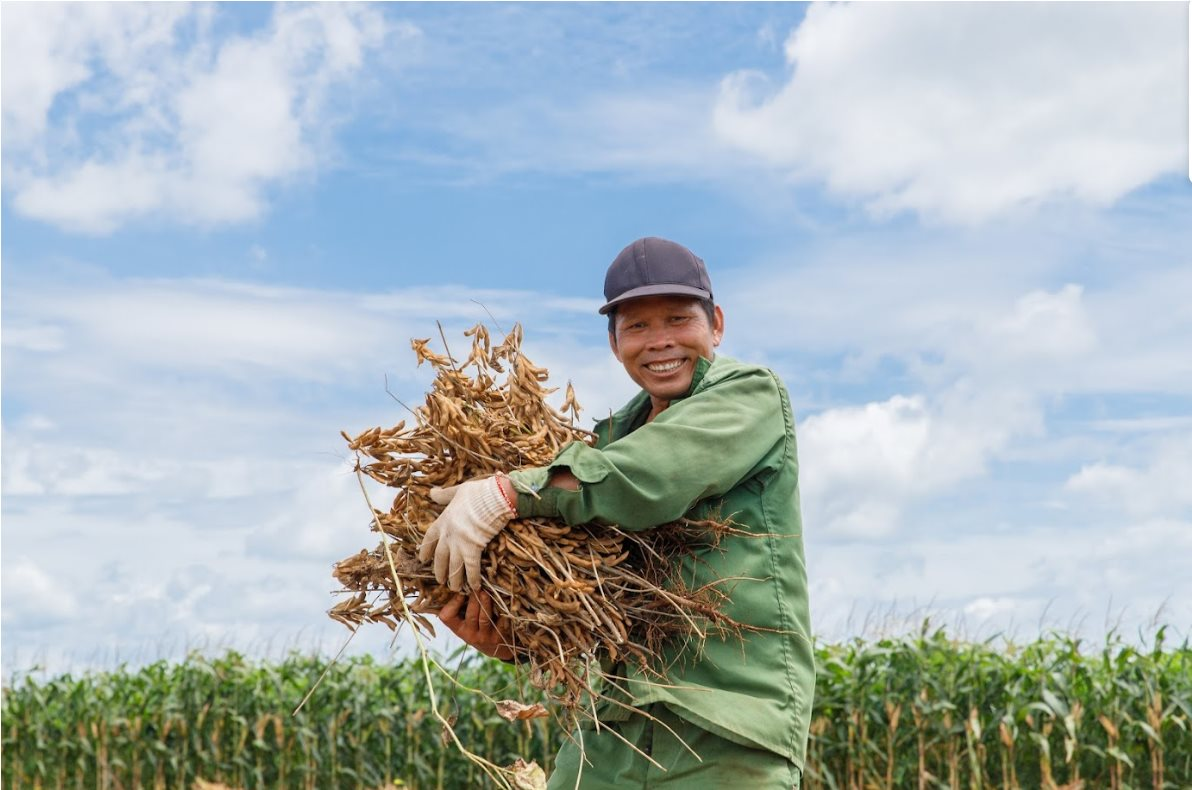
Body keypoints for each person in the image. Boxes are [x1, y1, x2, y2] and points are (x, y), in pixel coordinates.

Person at [419, 237, 814, 789]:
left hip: (725, 738)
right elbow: (599, 602)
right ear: (614, 343)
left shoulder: (749, 396)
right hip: (610, 738)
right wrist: (523, 642)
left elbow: (647, 479)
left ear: (716, 324)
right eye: (637, 327)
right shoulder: (605, 443)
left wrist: (508, 493)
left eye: (678, 319)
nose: (660, 342)